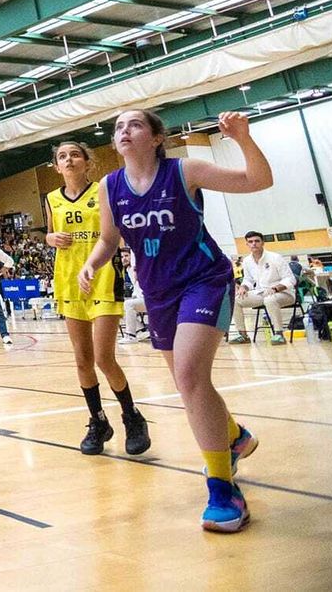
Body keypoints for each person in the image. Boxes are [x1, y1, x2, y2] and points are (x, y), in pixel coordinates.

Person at [79, 109, 272, 533]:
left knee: (188, 375)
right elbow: (109, 239)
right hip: (158, 292)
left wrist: (242, 137)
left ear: (155, 138)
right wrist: (92, 263)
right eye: (118, 127)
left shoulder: (185, 171)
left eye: (134, 124)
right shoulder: (110, 186)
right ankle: (233, 436)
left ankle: (223, 490)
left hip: (203, 280)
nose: (124, 131)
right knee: (190, 384)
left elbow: (257, 180)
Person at [44, 141, 151, 456]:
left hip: (102, 277)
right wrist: (50, 238)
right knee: (82, 360)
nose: (69, 159)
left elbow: (116, 232)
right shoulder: (51, 199)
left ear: (87, 162)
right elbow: (50, 234)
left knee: (104, 358)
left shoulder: (103, 191)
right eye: (62, 156)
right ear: (57, 167)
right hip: (69, 280)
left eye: (75, 154)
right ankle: (98, 420)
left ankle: (132, 416)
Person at [237, 231, 295, 345]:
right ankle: (243, 335)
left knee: (269, 299)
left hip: (284, 294)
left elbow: (290, 279)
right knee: (236, 300)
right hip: (262, 293)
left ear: (263, 242)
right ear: (247, 244)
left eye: (257, 241)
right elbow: (248, 280)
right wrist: (243, 287)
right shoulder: (247, 261)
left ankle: (279, 334)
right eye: (250, 242)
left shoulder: (275, 257)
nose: (254, 244)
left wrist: (275, 289)